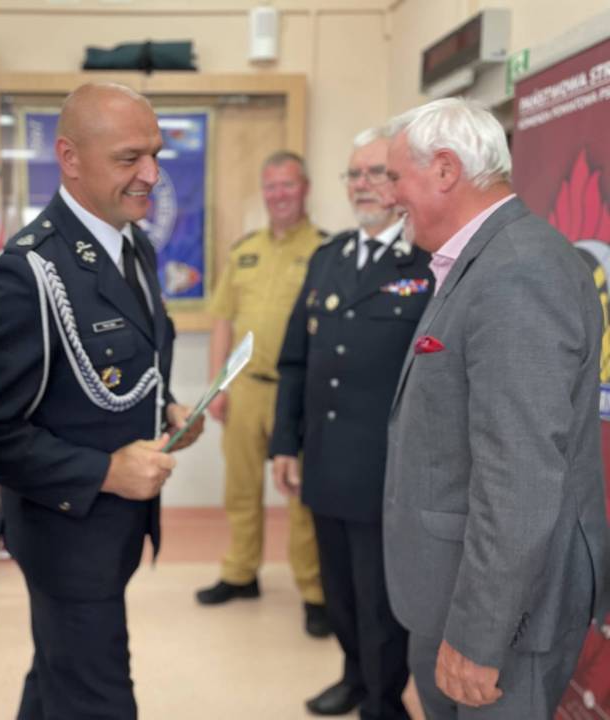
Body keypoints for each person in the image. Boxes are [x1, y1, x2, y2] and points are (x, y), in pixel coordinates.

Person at [0, 82, 202, 719]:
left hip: (115, 527)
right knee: (97, 700)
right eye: (129, 158)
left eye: (155, 154)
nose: (151, 174)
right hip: (66, 535)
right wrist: (104, 471)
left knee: (59, 677)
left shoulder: (133, 243)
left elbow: (131, 361)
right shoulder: (28, 270)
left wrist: (168, 406)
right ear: (69, 157)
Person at [383, 97, 609, 718]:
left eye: (395, 176)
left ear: (445, 169)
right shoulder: (481, 261)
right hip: (451, 589)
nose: (389, 194)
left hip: (503, 617)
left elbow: (519, 477)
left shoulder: (517, 271)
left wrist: (479, 634)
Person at [270, 127, 430, 718]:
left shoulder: (426, 261)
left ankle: (384, 701)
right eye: (354, 174)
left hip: (387, 466)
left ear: (401, 180)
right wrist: (284, 443)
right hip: (326, 459)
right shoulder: (328, 258)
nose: (363, 184)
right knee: (337, 589)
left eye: (376, 172)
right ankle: (355, 676)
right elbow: (295, 361)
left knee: (379, 597)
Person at [195, 151, 329, 637]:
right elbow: (222, 321)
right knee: (241, 488)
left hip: (298, 395)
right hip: (246, 390)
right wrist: (217, 387)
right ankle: (240, 573)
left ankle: (314, 591)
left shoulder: (325, 251)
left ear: (305, 188)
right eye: (271, 186)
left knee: (301, 494)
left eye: (287, 185)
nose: (279, 195)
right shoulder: (244, 251)